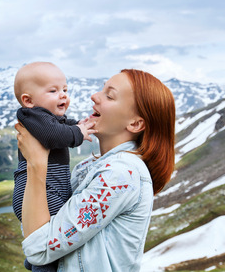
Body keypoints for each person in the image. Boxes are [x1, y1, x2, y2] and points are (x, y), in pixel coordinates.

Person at [15, 69, 175, 271]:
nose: (94, 96)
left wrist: (36, 164)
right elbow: (40, 226)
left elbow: (39, 248)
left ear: (135, 123)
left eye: (109, 95)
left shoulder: (120, 175)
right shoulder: (88, 167)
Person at [12, 62, 96, 271]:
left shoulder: (45, 117)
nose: (63, 95)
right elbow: (54, 135)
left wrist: (80, 125)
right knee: (53, 236)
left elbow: (62, 124)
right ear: (28, 101)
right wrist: (78, 133)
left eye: (65, 90)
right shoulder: (31, 116)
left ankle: (35, 262)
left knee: (51, 236)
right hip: (39, 189)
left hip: (51, 186)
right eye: (53, 90)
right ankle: (40, 264)